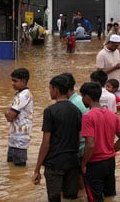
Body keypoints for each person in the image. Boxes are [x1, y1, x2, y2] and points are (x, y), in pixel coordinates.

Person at [32, 74, 82, 202]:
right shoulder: (76, 110)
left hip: (55, 162)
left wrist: (37, 169)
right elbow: (79, 137)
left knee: (54, 198)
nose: (49, 91)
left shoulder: (50, 111)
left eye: (50, 88)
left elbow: (46, 142)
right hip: (73, 161)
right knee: (71, 197)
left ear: (56, 90)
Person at [79, 82, 120, 202]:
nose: (82, 100)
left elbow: (90, 145)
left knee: (94, 198)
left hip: (94, 164)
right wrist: (110, 150)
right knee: (109, 196)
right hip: (110, 162)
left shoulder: (88, 117)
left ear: (87, 97)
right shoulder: (112, 115)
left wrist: (83, 163)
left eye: (82, 97)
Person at [5, 68, 34, 167]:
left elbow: (10, 116)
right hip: (15, 137)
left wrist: (7, 112)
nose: (12, 83)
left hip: (20, 139)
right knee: (12, 168)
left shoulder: (23, 96)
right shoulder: (20, 95)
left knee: (19, 168)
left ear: (23, 81)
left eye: (15, 81)